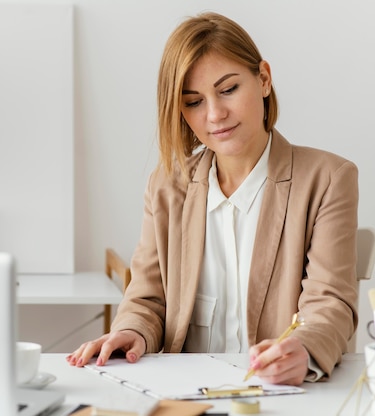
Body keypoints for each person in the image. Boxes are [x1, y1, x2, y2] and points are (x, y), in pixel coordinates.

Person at [67, 12, 358, 386]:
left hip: (277, 395)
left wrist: (303, 349)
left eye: (228, 89)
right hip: (183, 395)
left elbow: (329, 303)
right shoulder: (165, 187)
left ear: (264, 79)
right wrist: (133, 333)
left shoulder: (328, 178)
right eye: (194, 102)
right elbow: (146, 300)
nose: (215, 114)